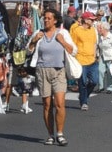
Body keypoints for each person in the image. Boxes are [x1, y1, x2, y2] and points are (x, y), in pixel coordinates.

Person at [27, 8, 76, 146]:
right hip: (42, 71)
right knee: (47, 105)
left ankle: (60, 134)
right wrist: (34, 41)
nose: (46, 20)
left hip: (58, 71)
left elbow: (73, 50)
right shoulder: (39, 33)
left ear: (55, 20)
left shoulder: (63, 33)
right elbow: (28, 50)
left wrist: (62, 42)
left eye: (49, 18)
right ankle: (50, 134)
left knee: (60, 103)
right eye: (45, 18)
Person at [70, 11, 98, 111]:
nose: (93, 21)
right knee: (82, 83)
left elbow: (94, 43)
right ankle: (83, 102)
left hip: (92, 60)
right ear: (85, 20)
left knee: (94, 81)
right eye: (91, 19)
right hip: (80, 60)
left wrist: (95, 56)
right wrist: (73, 58)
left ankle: (84, 96)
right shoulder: (77, 30)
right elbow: (72, 45)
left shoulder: (93, 30)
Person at [96, 22, 112, 94]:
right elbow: (98, 47)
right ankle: (100, 87)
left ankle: (109, 88)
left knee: (109, 73)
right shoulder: (100, 37)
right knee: (100, 71)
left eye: (101, 28)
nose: (99, 29)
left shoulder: (111, 37)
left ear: (105, 29)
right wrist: (97, 55)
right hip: (102, 56)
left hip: (110, 57)